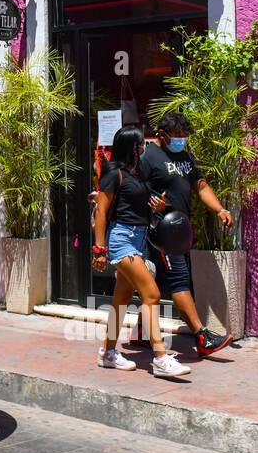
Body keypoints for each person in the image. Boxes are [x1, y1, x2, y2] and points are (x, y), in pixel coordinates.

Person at [92, 126, 192, 378]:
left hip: (139, 238)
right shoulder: (113, 173)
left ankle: (108, 353)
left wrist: (158, 207)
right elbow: (101, 211)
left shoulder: (135, 174)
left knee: (121, 300)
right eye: (139, 144)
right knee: (152, 294)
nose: (143, 148)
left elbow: (139, 207)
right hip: (121, 239)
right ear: (130, 146)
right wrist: (99, 249)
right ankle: (160, 358)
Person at [138, 111, 235, 357]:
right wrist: (154, 206)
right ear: (162, 135)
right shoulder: (148, 157)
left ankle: (140, 332)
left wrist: (219, 209)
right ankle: (202, 337)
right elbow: (136, 190)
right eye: (177, 136)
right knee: (179, 279)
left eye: (184, 135)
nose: (182, 140)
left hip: (180, 228)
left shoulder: (186, 156)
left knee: (157, 281)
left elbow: (200, 185)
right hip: (162, 230)